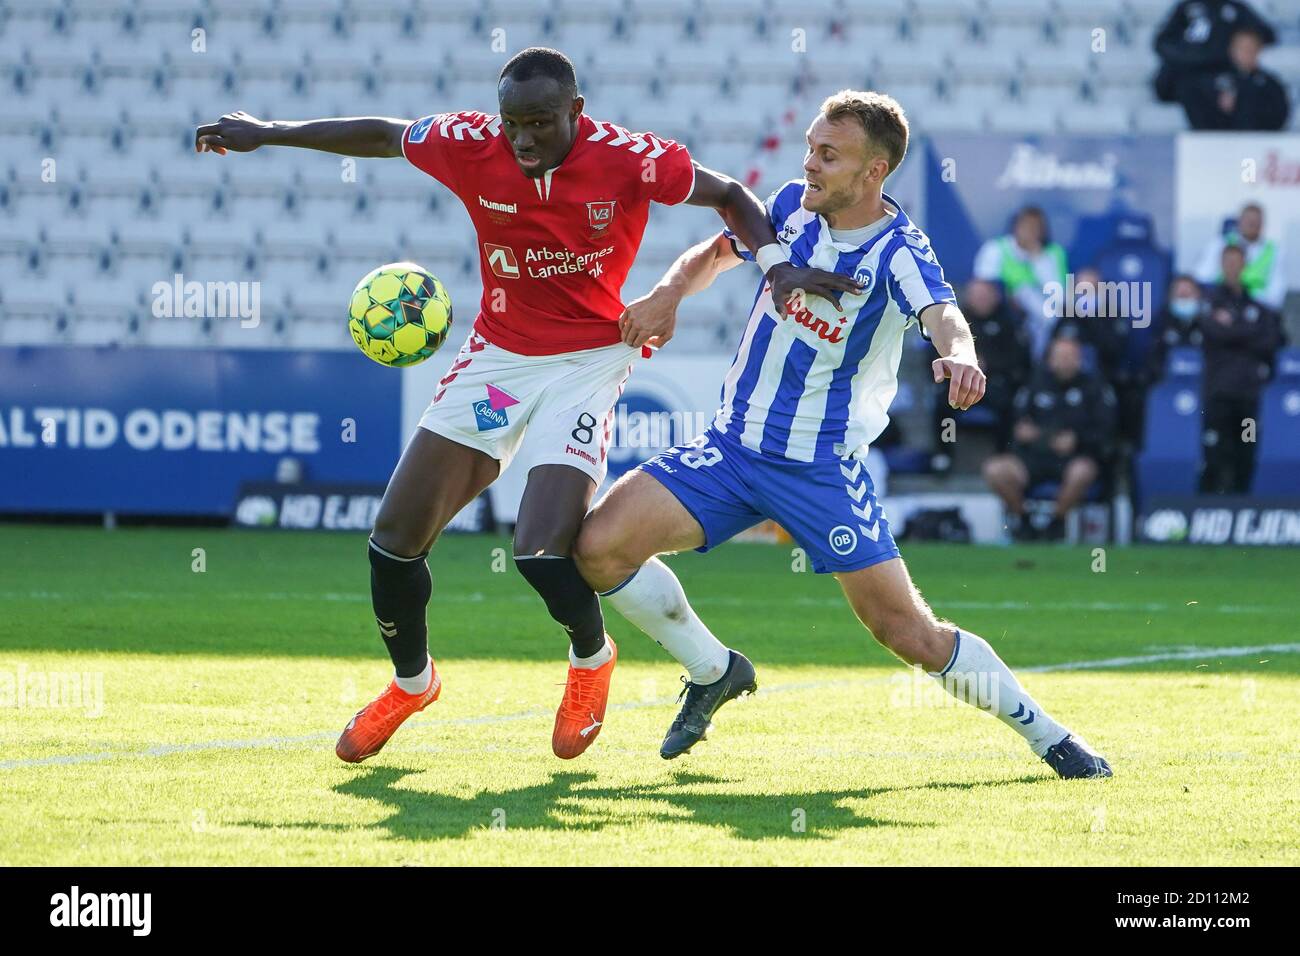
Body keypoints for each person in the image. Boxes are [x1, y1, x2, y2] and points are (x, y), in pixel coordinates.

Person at [194, 47, 854, 763]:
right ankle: (412, 683)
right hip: (500, 362)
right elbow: (386, 134)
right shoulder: (471, 144)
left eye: (541, 122)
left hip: (589, 361)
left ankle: (590, 658)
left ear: (576, 112)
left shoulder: (630, 159)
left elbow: (730, 194)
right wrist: (269, 130)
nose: (524, 138)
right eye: (514, 123)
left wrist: (775, 265)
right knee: (392, 539)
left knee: (541, 550)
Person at [574, 90, 1112, 779]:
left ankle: (1049, 737)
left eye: (829, 155)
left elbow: (943, 313)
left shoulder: (899, 250)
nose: (811, 165)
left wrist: (963, 356)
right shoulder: (793, 207)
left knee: (906, 633)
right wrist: (668, 294)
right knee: (597, 549)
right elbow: (714, 252)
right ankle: (713, 671)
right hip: (732, 451)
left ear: (873, 173)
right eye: (809, 148)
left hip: (819, 470)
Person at [982, 336, 1118, 542]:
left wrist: (1078, 440)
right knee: (995, 469)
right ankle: (1023, 520)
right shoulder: (1033, 383)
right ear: (1050, 359)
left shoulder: (1095, 388)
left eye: (1070, 356)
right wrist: (1025, 434)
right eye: (1059, 356)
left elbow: (1106, 432)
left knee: (1081, 471)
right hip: (1032, 457)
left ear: (1079, 359)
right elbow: (1016, 425)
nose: (1064, 361)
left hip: (1073, 458)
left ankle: (1056, 523)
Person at [1200, 245, 1286, 494]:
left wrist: (1232, 329)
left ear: (1244, 265)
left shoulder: (1259, 307)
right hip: (1217, 396)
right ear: (1221, 265)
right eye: (1228, 261)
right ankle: (1209, 508)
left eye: (1238, 262)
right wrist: (1249, 332)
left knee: (1246, 450)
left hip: (1248, 398)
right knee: (1215, 452)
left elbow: (1271, 341)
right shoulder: (1210, 303)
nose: (1233, 267)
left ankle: (1240, 506)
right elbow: (1213, 331)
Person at [937, 278, 1030, 452]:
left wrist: (986, 365)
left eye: (985, 296)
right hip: (960, 382)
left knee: (1008, 404)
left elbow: (1019, 359)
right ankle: (943, 455)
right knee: (943, 403)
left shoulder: (1008, 322)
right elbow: (937, 353)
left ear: (995, 297)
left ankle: (1004, 452)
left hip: (994, 383)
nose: (981, 300)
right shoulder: (954, 320)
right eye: (977, 296)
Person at [972, 206, 1068, 359]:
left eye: (1037, 228)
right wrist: (1008, 296)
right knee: (1023, 292)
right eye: (1027, 226)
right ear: (1015, 226)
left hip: (1043, 319)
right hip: (1004, 312)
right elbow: (982, 288)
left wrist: (1039, 259)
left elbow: (1059, 297)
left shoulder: (1053, 253)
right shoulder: (995, 248)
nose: (1031, 232)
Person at [1153, 0, 1276, 104]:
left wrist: (1236, 48)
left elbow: (1266, 34)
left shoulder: (1235, 9)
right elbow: (1162, 43)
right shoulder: (1186, 7)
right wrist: (1188, 56)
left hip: (1219, 75)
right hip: (1186, 74)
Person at [1174, 26, 1290, 131]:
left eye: (1251, 48)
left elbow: (1278, 116)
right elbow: (1200, 113)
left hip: (1258, 143)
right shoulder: (1213, 80)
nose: (1246, 53)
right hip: (1217, 143)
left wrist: (1242, 102)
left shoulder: (1270, 84)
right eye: (1242, 48)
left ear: (1258, 50)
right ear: (1232, 50)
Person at [1194, 202, 1287, 310]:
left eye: (1256, 222)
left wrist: (1244, 298)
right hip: (1222, 305)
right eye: (1248, 220)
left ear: (1262, 224)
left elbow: (1275, 297)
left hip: (1257, 309)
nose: (1252, 225)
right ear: (1239, 222)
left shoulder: (1275, 251)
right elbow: (1202, 277)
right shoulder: (1220, 244)